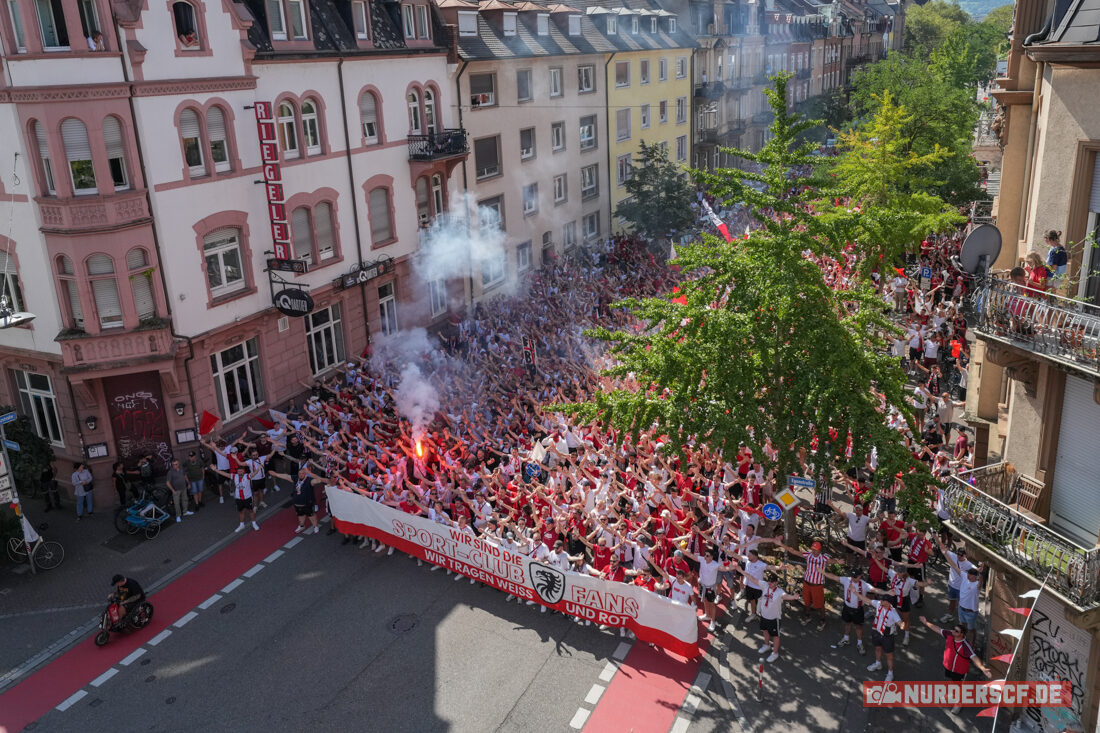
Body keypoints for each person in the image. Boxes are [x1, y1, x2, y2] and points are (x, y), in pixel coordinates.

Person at [755, 571, 799, 663]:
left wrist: (793, 597)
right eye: (768, 581)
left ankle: (775, 653)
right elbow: (753, 579)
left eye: (771, 582)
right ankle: (766, 645)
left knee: (775, 636)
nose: (769, 583)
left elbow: (785, 596)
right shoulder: (765, 585)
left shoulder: (779, 592)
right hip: (764, 616)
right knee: (765, 631)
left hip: (774, 619)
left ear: (776, 583)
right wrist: (742, 571)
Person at [824, 567, 868, 655]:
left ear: (860, 576)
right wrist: (822, 572)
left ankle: (860, 643)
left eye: (855, 577)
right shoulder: (846, 580)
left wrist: (887, 592)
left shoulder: (864, 585)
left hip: (858, 609)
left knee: (858, 627)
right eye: (852, 576)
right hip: (847, 607)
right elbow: (833, 577)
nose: (853, 578)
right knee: (847, 623)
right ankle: (846, 638)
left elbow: (876, 590)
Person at [211, 463, 260, 532]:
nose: (239, 472)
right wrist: (215, 470)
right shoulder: (234, 476)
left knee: (251, 511)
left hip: (247, 498)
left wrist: (258, 469)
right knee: (241, 512)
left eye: (241, 471)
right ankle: (241, 525)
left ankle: (254, 523)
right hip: (239, 498)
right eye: (238, 471)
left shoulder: (247, 476)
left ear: (244, 471)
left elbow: (254, 474)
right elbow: (224, 474)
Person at [271, 466, 320, 535]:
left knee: (311, 515)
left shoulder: (309, 480)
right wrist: (276, 474)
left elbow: (319, 480)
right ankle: (302, 526)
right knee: (300, 515)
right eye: (299, 473)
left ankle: (315, 526)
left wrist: (310, 473)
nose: (301, 475)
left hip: (307, 503)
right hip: (297, 503)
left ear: (305, 474)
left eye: (303, 473)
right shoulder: (295, 478)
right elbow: (286, 476)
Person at [165, 458, 191, 523]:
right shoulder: (170, 472)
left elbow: (185, 476)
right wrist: (173, 490)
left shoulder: (181, 469)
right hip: (176, 490)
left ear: (178, 464)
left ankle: (185, 512)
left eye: (176, 464)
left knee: (185, 500)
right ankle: (178, 516)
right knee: (176, 503)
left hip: (184, 488)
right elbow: (167, 483)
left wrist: (188, 483)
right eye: (173, 465)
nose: (175, 466)